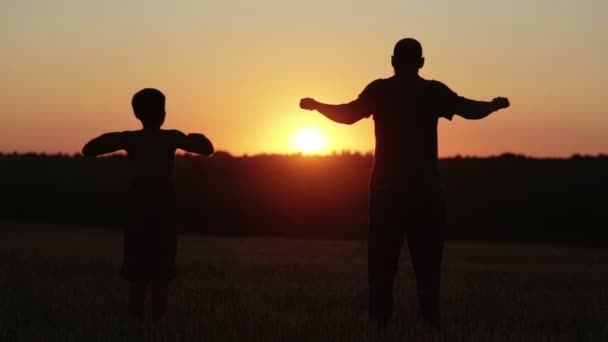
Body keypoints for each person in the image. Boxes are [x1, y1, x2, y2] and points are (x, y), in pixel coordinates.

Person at [300, 38, 510, 332]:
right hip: (426, 192)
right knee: (427, 265)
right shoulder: (432, 91)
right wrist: (493, 105)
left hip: (386, 192)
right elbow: (468, 109)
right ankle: (430, 322)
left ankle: (379, 324)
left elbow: (347, 114)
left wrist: (316, 105)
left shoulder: (380, 90)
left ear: (392, 61)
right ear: (422, 62)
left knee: (381, 264)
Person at [82, 88, 214, 321]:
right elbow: (206, 148)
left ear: (136, 113)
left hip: (138, 203)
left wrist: (118, 137)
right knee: (162, 270)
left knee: (137, 270)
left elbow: (90, 149)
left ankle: (137, 323)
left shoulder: (131, 138)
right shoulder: (171, 137)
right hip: (164, 203)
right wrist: (191, 136)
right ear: (163, 113)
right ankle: (156, 325)